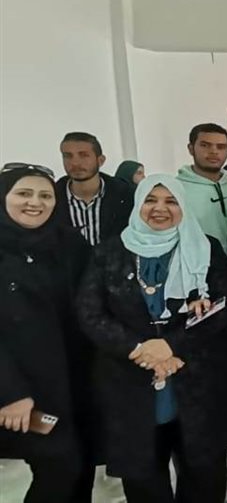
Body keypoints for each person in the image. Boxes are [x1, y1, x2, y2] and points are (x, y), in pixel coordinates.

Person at [76, 175, 227, 503]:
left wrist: (172, 344)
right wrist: (140, 349)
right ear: (138, 204)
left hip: (198, 381)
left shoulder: (205, 247)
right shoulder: (109, 252)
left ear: (183, 207)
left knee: (204, 480)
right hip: (131, 384)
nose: (160, 208)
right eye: (151, 200)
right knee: (144, 483)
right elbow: (89, 313)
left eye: (171, 201)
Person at [0, 164, 96, 503]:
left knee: (80, 467)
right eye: (24, 194)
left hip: (75, 382)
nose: (35, 203)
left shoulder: (68, 243)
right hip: (23, 389)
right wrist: (10, 393)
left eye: (45, 195)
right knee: (58, 468)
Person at [53, 132, 135, 246]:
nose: (75, 162)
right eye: (68, 156)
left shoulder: (127, 196)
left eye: (84, 155)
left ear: (100, 160)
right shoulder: (51, 199)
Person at [177, 123, 227, 251]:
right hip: (199, 261)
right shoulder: (176, 189)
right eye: (205, 145)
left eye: (221, 147)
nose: (214, 151)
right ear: (191, 148)